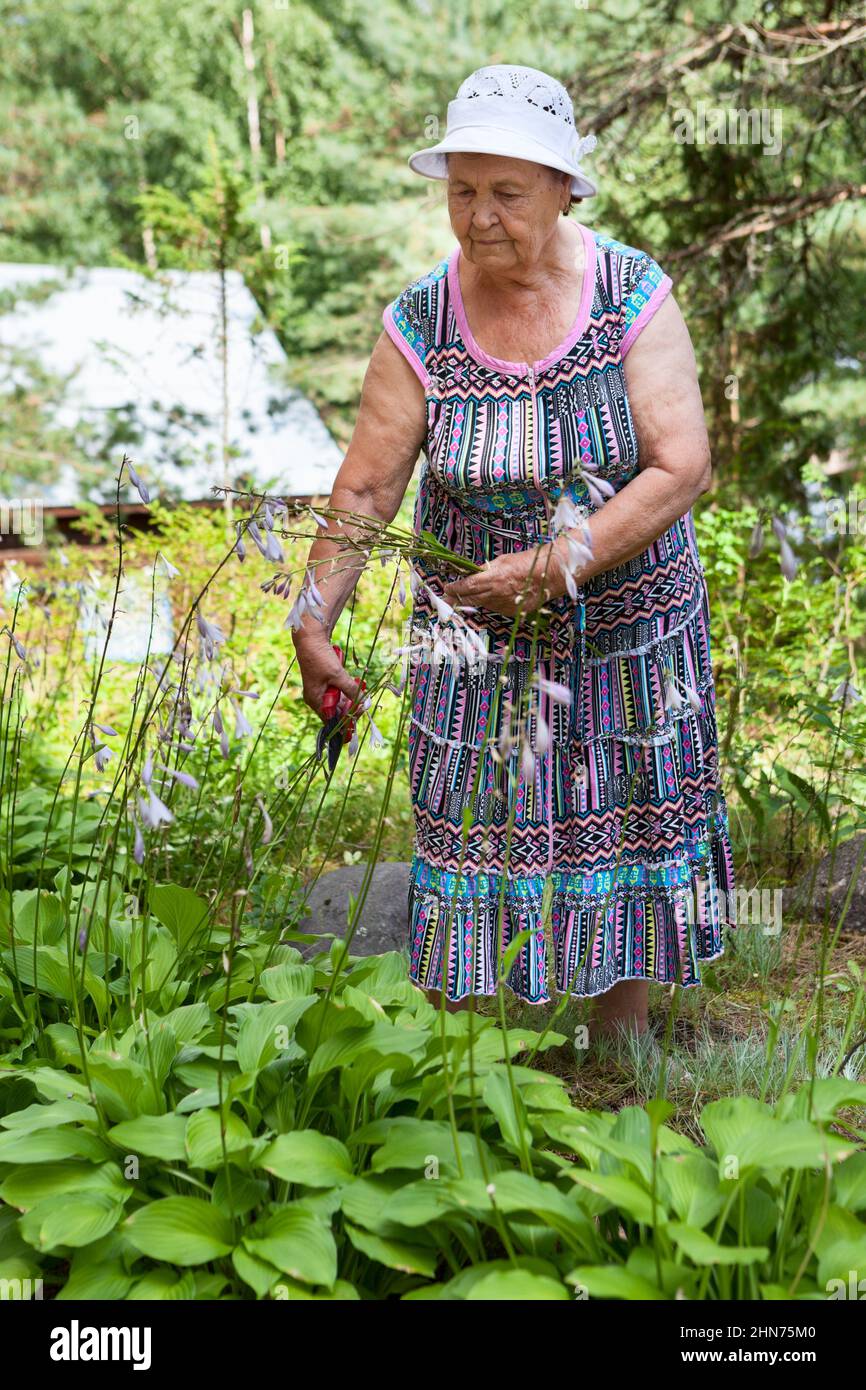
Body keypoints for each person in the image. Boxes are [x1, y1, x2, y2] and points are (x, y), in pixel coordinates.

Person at [292, 64, 736, 1038]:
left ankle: (615, 1052)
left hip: (626, 629)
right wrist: (311, 613)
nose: (479, 215)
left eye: (505, 192)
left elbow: (680, 466)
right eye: (461, 191)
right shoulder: (420, 322)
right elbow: (367, 489)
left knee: (628, 814)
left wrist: (554, 564)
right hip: (473, 641)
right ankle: (453, 1069)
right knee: (466, 831)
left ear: (562, 189)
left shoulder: (630, 294)